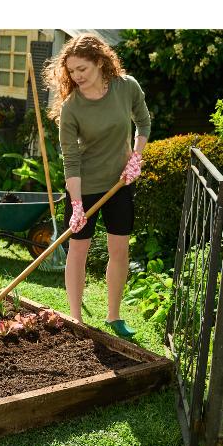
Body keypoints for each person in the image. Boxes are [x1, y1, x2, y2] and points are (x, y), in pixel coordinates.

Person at [43, 33, 150, 338]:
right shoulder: (71, 109)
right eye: (72, 72)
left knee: (119, 249)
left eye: (82, 70)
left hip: (120, 183)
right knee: (78, 250)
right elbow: (71, 161)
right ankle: (76, 318)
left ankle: (114, 316)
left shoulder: (126, 87)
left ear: (100, 62)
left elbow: (143, 121)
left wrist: (136, 157)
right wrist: (76, 205)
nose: (76, 77)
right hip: (85, 185)